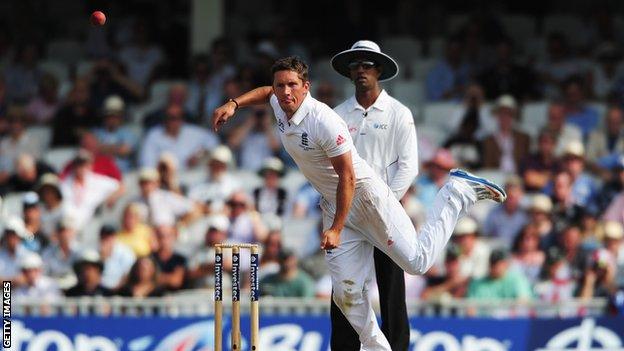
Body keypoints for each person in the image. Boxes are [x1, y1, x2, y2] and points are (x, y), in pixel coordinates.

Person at [213, 56, 506, 350]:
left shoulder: (322, 120)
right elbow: (265, 92)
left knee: (417, 263)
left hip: (366, 199)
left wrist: (336, 228)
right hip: (336, 203)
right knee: (346, 294)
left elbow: (348, 177)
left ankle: (455, 192)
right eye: (281, 86)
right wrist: (234, 104)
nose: (285, 92)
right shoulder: (278, 100)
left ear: (306, 87)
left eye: (292, 85)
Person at [331, 40, 418, 350]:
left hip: (386, 212)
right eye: (355, 65)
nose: (361, 70)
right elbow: (332, 167)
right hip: (350, 214)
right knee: (346, 285)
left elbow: (408, 167)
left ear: (379, 69)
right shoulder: (339, 114)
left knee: (391, 285)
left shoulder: (398, 113)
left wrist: (385, 204)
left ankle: (396, 347)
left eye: (367, 64)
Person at [140, 104, 219, 170]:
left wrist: (199, 156)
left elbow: (213, 142)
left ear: (182, 119)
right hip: (164, 179)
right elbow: (147, 163)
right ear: (164, 119)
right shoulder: (153, 135)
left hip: (192, 176)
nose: (174, 121)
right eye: (170, 117)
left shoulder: (194, 132)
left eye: (177, 117)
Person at [481, 95, 531, 173]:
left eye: (509, 114)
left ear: (513, 116)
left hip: (517, 179)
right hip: (495, 178)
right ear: (497, 116)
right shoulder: (488, 140)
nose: (505, 117)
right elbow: (487, 165)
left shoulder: (523, 138)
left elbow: (527, 163)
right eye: (502, 114)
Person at [93, 95, 138, 172]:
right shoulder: (96, 132)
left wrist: (102, 148)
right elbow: (92, 149)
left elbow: (124, 151)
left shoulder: (128, 133)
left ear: (121, 117)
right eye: (109, 115)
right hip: (100, 175)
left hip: (123, 174)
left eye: (116, 116)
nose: (112, 119)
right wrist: (116, 148)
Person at [483, 176, 528, 246]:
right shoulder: (493, 213)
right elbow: (486, 236)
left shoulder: (526, 214)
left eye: (514, 197)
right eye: (510, 196)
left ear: (521, 195)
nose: (512, 200)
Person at [98, 225, 136, 290]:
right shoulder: (93, 251)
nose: (107, 239)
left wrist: (116, 290)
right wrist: (102, 258)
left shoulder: (126, 252)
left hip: (120, 290)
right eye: (104, 236)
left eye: (110, 236)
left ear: (115, 237)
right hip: (99, 291)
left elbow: (128, 274)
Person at [151, 225, 187, 292]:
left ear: (173, 237)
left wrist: (155, 278)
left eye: (168, 236)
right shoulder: (150, 258)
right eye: (161, 236)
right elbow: (145, 281)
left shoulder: (180, 259)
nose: (164, 240)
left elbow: (176, 281)